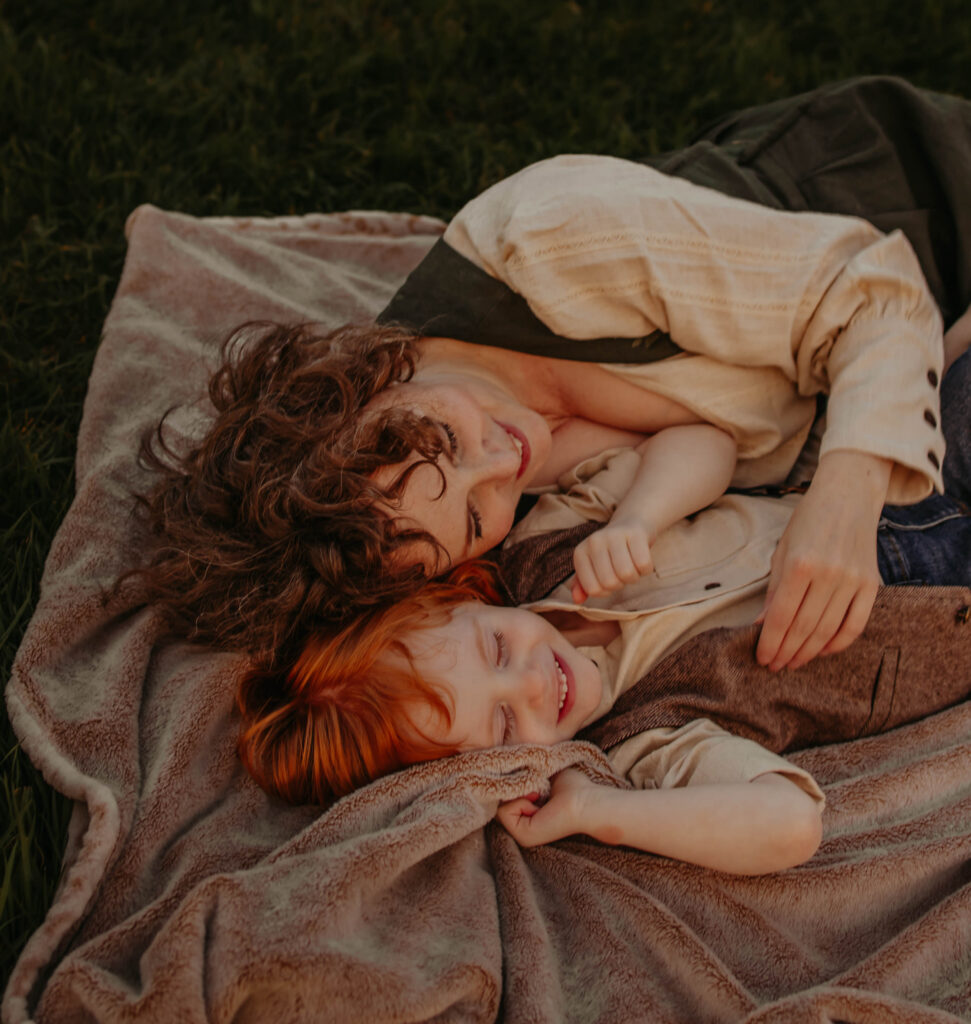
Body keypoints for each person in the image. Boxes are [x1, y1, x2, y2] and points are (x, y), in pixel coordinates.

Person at [135, 76, 971, 673]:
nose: (502, 465)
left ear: (368, 375)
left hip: (923, 210)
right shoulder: (502, 481)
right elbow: (698, 443)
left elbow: (877, 291)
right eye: (470, 518)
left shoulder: (551, 240)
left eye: (446, 439)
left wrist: (845, 499)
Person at [236, 567, 825, 876]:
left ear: (458, 598)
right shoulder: (643, 737)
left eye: (495, 649)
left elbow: (708, 441)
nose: (535, 684)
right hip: (910, 588)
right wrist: (597, 811)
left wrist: (645, 511)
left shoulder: (553, 548)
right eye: (504, 726)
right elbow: (792, 822)